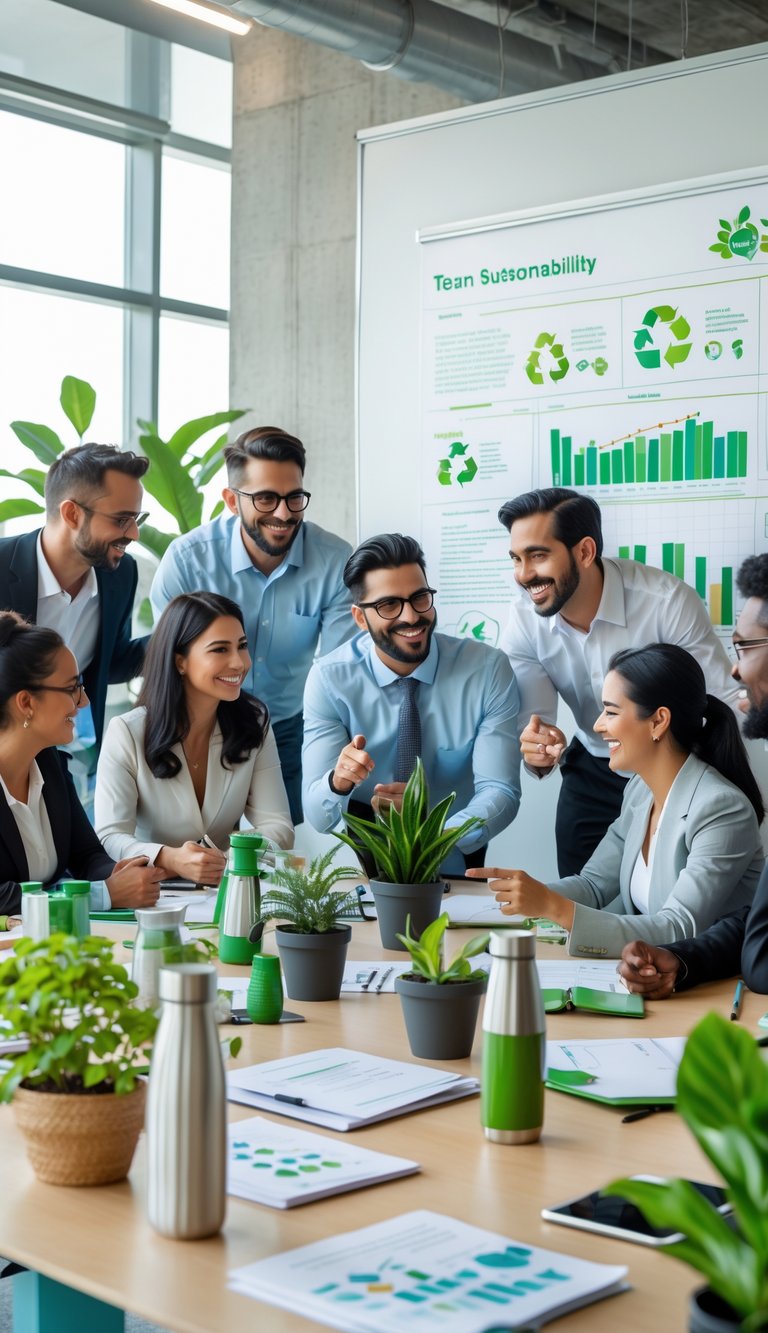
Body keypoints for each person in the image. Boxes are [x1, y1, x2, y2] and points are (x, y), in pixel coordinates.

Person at [498, 488, 739, 876]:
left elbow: (721, 704)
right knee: (580, 905)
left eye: (538, 555)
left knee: (665, 906)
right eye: (516, 558)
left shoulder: (666, 602)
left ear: (585, 551)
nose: (523, 575)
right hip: (595, 767)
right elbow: (534, 728)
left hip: (673, 769)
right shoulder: (524, 621)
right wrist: (538, 751)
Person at [467, 642, 764, 957]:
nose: (597, 725)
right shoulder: (640, 791)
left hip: (717, 988)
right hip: (653, 978)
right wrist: (525, 894)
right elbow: (594, 885)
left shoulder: (721, 809)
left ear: (658, 721)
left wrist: (552, 906)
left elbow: (679, 928)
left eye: (610, 711)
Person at [149, 426, 353, 825]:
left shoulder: (334, 561)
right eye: (265, 498)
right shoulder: (188, 560)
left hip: (291, 729)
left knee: (293, 856)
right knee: (190, 856)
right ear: (231, 500)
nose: (283, 513)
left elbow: (337, 671)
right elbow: (169, 663)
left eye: (294, 497)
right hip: (198, 729)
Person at [301, 533, 521, 873]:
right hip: (366, 859)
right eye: (389, 605)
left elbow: (501, 791)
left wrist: (431, 833)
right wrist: (338, 781)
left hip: (455, 846)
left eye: (420, 598)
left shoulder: (487, 670)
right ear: (360, 618)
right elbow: (318, 816)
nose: (410, 617)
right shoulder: (330, 679)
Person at [619, 554, 768, 996]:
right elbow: (757, 918)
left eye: (745, 647)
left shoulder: (717, 804)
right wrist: (683, 963)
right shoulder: (638, 793)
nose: (735, 669)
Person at [94, 592, 293, 878]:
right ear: (180, 662)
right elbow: (109, 837)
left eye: (242, 646)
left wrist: (228, 860)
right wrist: (169, 858)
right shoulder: (127, 732)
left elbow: (279, 826)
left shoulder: (254, 722)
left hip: (227, 889)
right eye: (220, 649)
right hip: (154, 894)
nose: (239, 663)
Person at [0, 612, 165, 915]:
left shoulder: (49, 763)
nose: (84, 701)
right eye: (72, 688)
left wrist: (116, 873)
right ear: (26, 703)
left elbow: (86, 854)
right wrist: (101, 895)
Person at [0, 444, 150, 756]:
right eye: (122, 519)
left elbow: (112, 662)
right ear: (72, 513)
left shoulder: (121, 574)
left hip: (65, 753)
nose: (134, 533)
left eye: (137, 518)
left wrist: (179, 637)